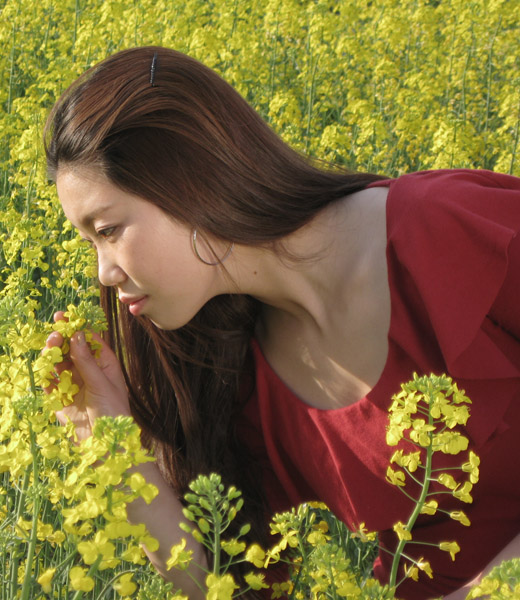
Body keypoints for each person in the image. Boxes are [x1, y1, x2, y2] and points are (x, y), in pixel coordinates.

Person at [42, 46, 520, 600]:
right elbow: (222, 587)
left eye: (108, 229)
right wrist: (108, 440)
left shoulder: (442, 228)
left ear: (188, 183)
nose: (104, 273)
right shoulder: (238, 381)